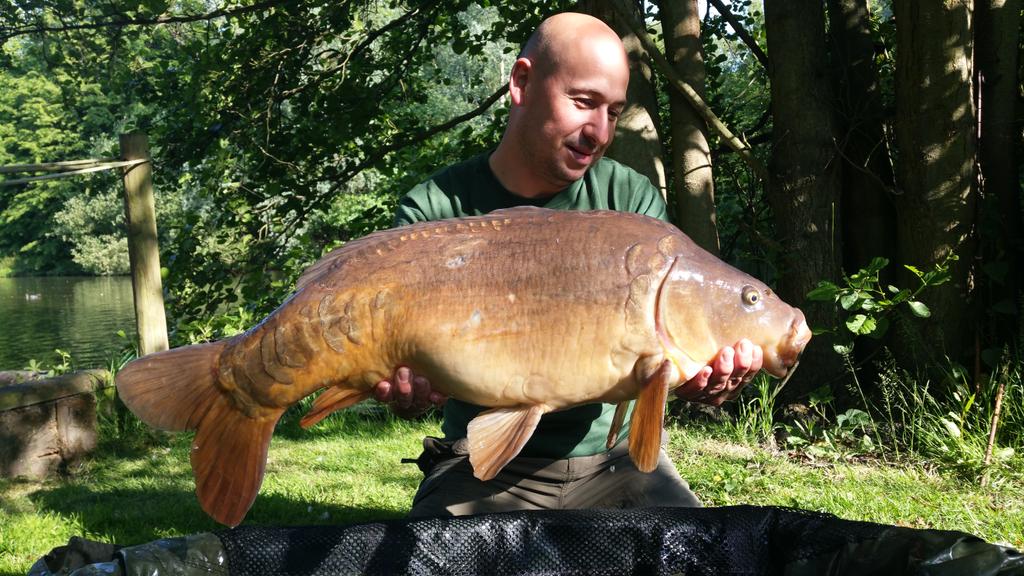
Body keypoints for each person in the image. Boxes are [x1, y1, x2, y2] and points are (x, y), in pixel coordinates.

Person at [372, 12, 763, 517]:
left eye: (615, 112)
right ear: (522, 83)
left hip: (615, 464)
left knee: (699, 554)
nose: (599, 132)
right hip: (481, 463)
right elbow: (396, 370)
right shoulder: (436, 211)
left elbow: (662, 350)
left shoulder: (630, 201)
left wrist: (695, 378)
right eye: (583, 102)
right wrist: (407, 386)